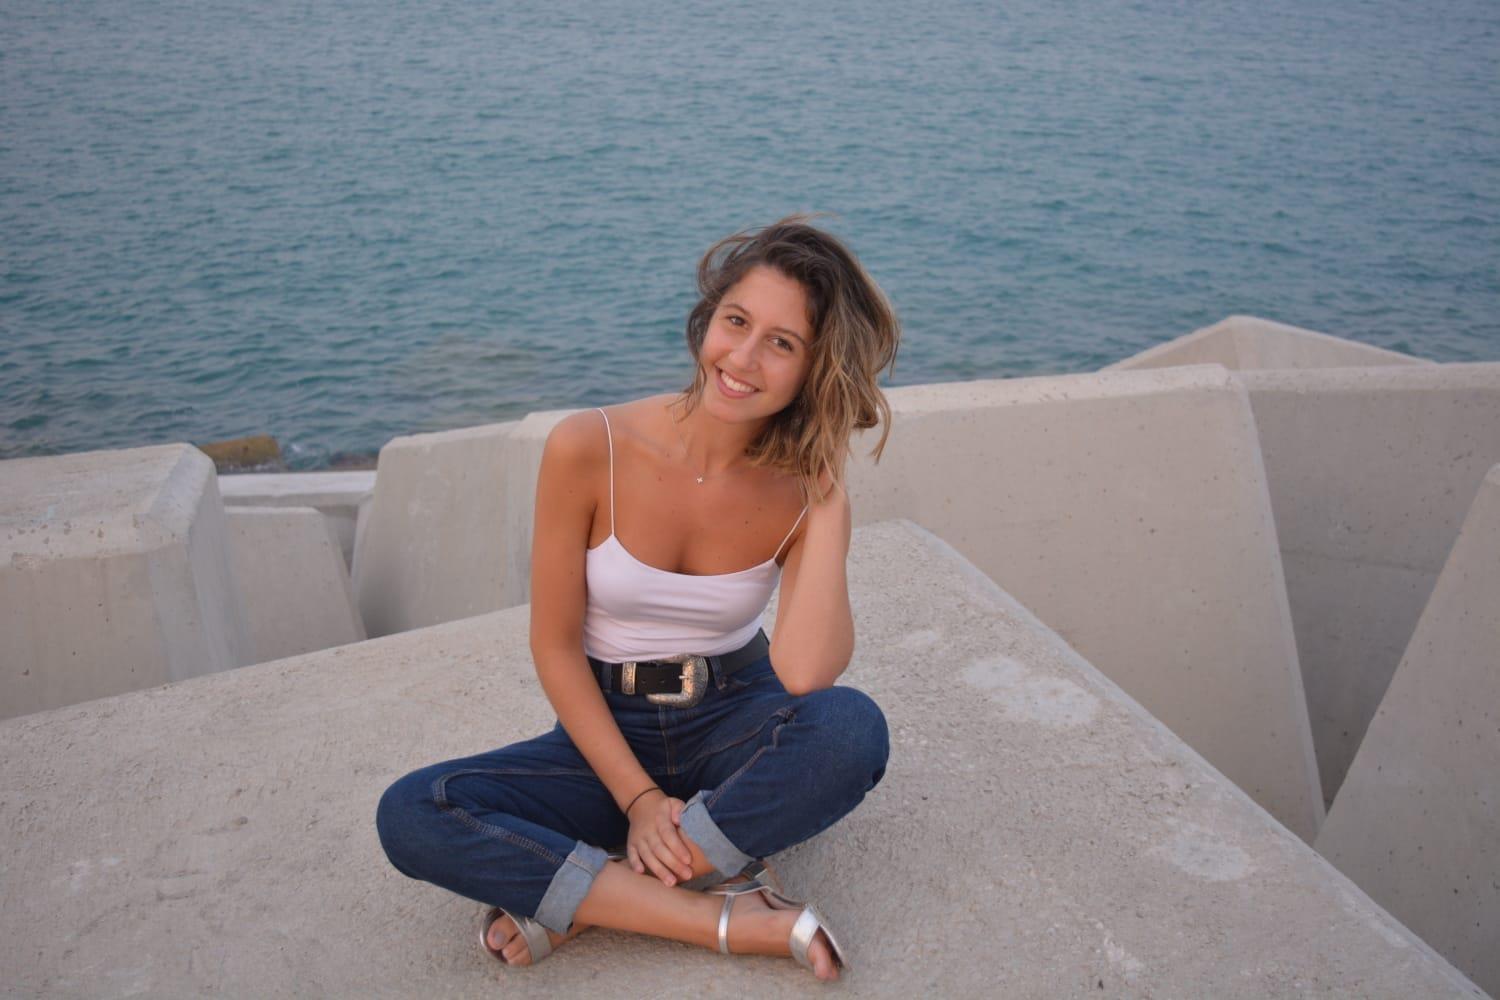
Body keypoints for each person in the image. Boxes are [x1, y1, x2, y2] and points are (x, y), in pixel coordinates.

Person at [376, 214, 901, 982]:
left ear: (814, 371)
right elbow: (554, 646)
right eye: (736, 322)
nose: (742, 359)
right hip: (605, 733)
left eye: (782, 344)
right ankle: (720, 912)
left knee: (852, 731)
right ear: (708, 317)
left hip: (734, 720)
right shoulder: (589, 446)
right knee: (414, 812)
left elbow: (803, 674)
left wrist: (827, 503)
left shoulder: (803, 492)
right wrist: (640, 800)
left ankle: (598, 897)